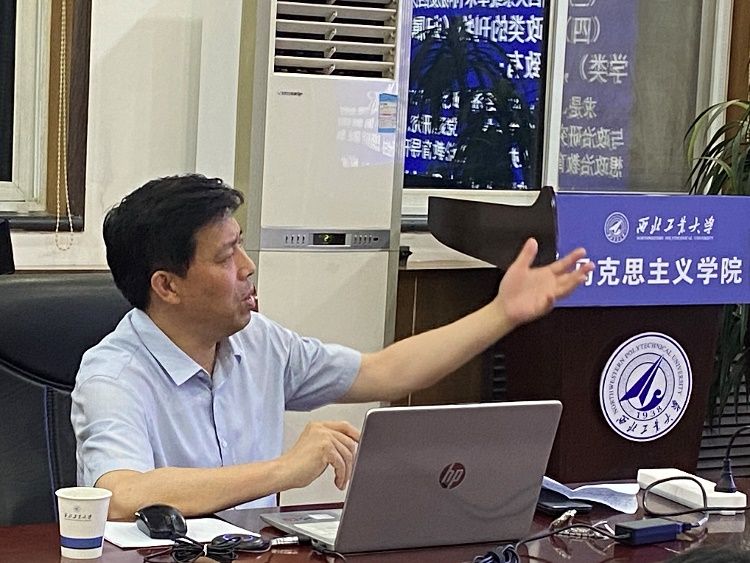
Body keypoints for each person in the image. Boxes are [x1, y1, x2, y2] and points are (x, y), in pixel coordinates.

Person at [71, 174, 594, 520]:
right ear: (167, 286)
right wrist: (284, 470)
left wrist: (502, 313)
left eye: (242, 246)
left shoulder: (258, 341)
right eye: (226, 257)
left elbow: (385, 373)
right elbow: (119, 494)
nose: (248, 268)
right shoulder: (113, 376)